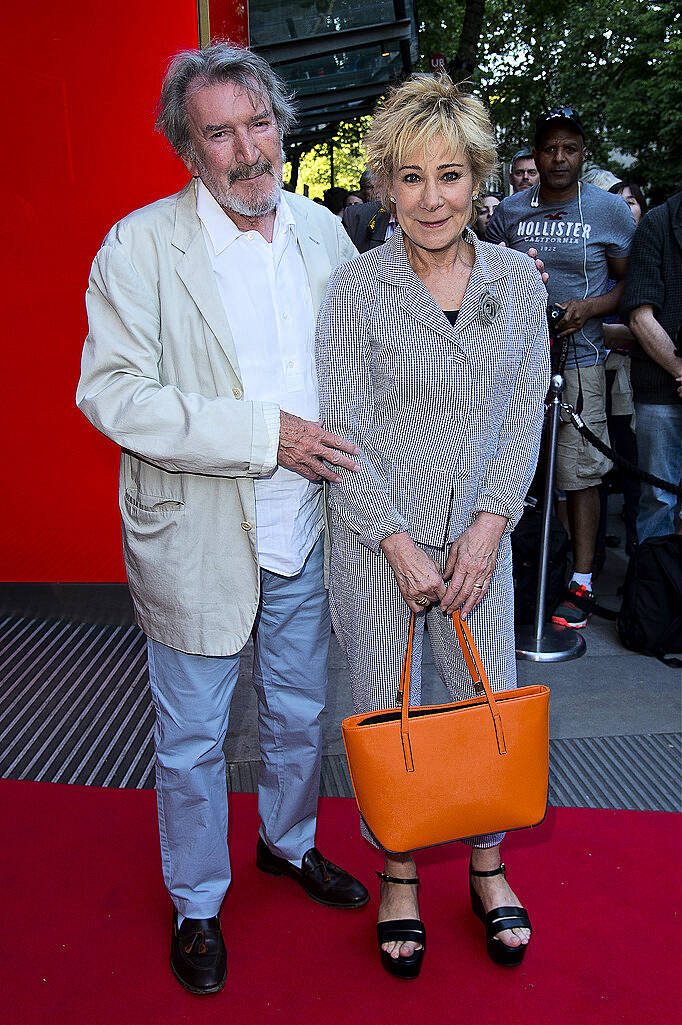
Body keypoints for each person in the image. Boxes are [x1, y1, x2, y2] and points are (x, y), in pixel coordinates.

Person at [76, 42, 369, 997]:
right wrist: (263, 436)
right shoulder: (139, 245)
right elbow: (114, 395)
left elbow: (366, 362)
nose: (248, 150)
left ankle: (287, 843)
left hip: (310, 524)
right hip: (199, 529)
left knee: (298, 713)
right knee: (195, 737)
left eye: (259, 123)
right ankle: (198, 900)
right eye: (219, 133)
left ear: (280, 124)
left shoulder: (326, 232)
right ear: (186, 148)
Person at [316, 73, 550, 979]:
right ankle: (400, 871)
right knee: (391, 707)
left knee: (482, 703)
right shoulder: (356, 289)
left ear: (479, 178)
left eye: (449, 175)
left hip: (478, 545)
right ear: (384, 184)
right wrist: (399, 542)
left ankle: (488, 868)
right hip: (381, 546)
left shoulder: (516, 283)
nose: (430, 198)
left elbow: (523, 411)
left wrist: (490, 527)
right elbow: (342, 428)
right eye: (409, 178)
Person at [487, 107, 636, 628]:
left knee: (580, 474)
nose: (559, 158)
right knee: (521, 474)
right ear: (535, 152)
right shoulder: (509, 211)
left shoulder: (607, 211)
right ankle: (528, 570)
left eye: (570, 148)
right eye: (550, 147)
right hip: (519, 363)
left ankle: (582, 578)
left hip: (582, 361)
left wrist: (589, 310)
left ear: (583, 154)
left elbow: (628, 287)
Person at [621, 189, 682, 539]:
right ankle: (655, 591)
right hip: (661, 391)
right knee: (658, 500)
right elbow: (640, 317)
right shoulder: (657, 223)